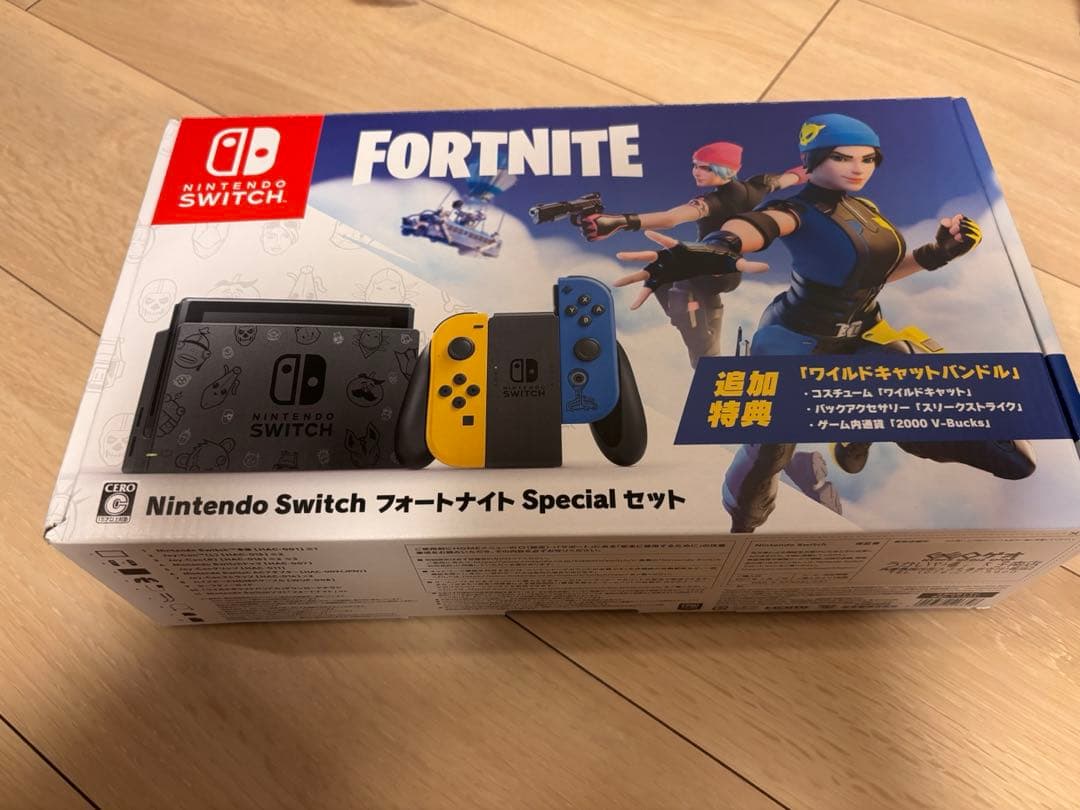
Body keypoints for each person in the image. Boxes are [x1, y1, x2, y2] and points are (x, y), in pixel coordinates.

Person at [614, 113, 1035, 532]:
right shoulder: (795, 210)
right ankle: (742, 527)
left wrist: (938, 253)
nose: (858, 168)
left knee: (975, 432)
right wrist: (714, 248)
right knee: (769, 451)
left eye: (868, 159)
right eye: (842, 157)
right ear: (814, 159)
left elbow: (872, 276)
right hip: (793, 342)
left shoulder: (865, 209)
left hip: (861, 334)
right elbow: (755, 226)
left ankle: (857, 428)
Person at [581, 142, 805, 367]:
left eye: (705, 168)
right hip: (724, 271)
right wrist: (814, 166)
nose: (696, 172)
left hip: (715, 272)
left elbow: (670, 219)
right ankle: (708, 339)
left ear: (726, 170)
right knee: (669, 277)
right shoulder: (757, 187)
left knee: (669, 281)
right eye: (695, 165)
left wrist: (620, 222)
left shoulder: (715, 201)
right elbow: (792, 176)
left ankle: (705, 355)